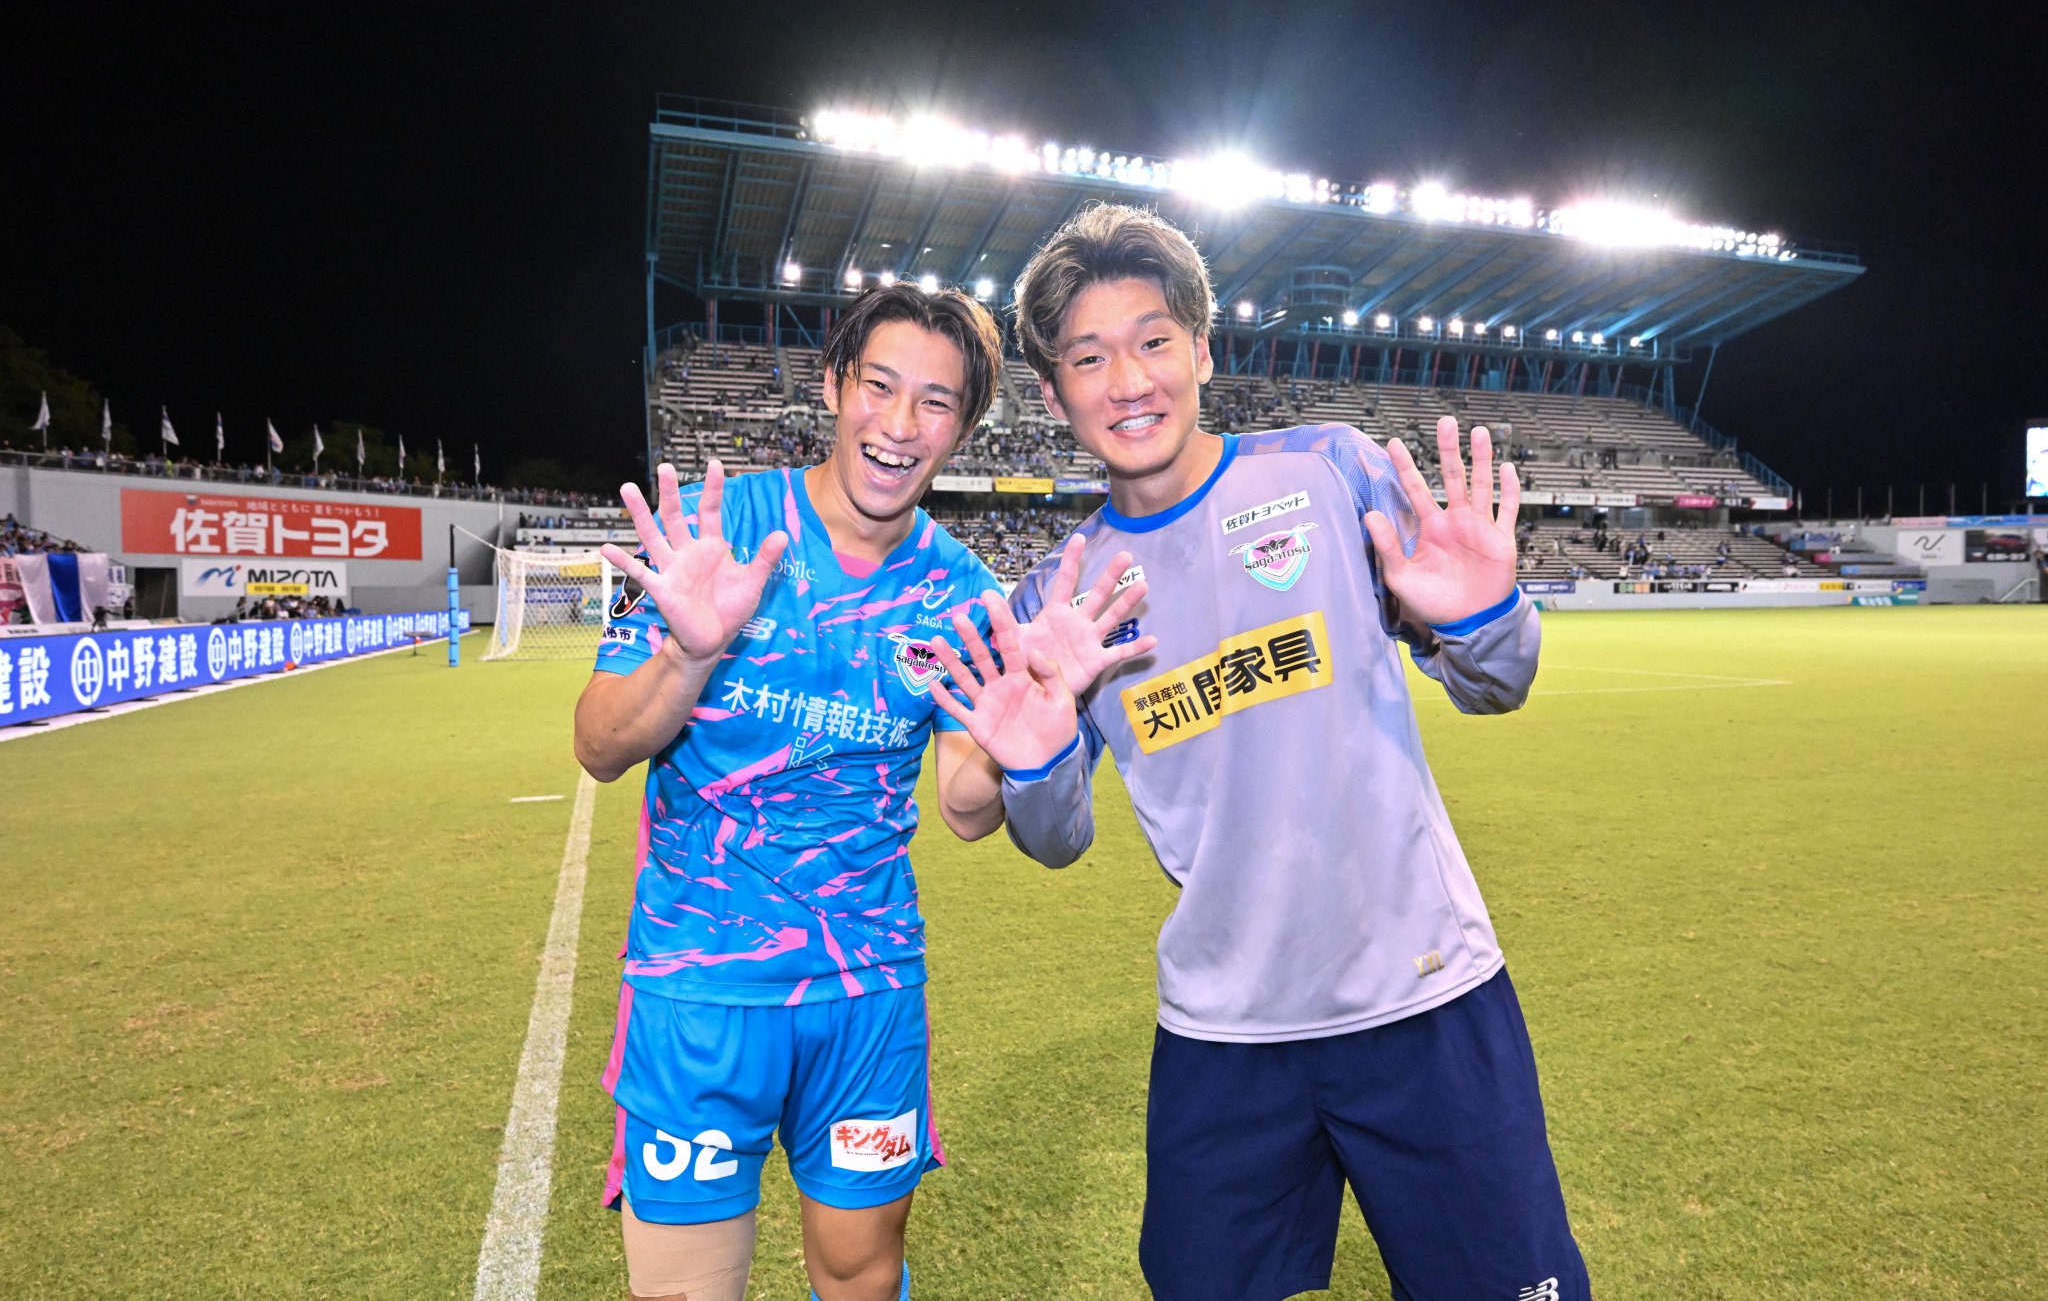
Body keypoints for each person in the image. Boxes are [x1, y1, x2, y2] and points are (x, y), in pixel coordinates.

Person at [930, 204, 1589, 1301]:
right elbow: (1053, 839)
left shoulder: (1327, 474)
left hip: (1420, 997)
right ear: (1052, 396)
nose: (1127, 380)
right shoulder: (1060, 591)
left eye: (1150, 341)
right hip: (1224, 1031)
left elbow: (1496, 682)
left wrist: (1481, 618)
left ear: (1200, 347)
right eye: (1088, 359)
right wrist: (1036, 760)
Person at [573, 282, 1146, 1301]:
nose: (897, 424)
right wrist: (687, 657)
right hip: (700, 990)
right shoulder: (725, 530)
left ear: (963, 427)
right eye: (878, 386)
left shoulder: (962, 593)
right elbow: (598, 744)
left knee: (860, 1274)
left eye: (934, 402)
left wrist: (1029, 743)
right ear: (834, 386)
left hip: (867, 993)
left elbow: (965, 808)